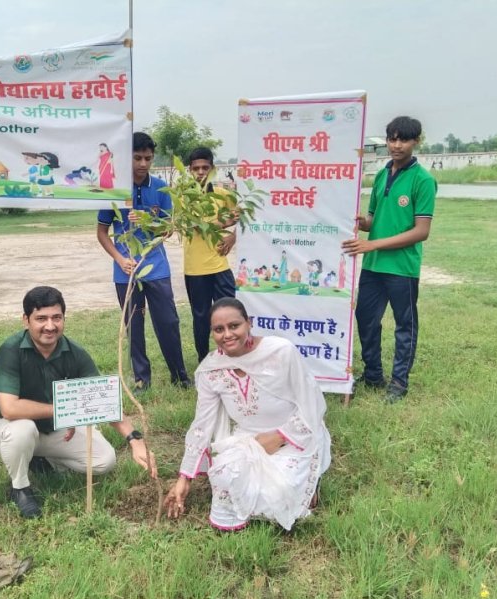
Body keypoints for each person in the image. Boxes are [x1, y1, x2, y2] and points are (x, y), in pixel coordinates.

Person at [0, 286, 156, 518]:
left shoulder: (74, 352)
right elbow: (10, 408)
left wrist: (135, 440)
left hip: (55, 429)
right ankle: (20, 488)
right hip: (7, 427)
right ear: (26, 320)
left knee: (104, 461)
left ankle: (42, 460)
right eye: (41, 318)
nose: (50, 326)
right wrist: (63, 410)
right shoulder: (10, 350)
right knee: (22, 431)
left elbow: (102, 401)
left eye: (57, 317)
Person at [164, 298, 331, 531]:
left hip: (294, 434)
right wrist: (184, 478)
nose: (227, 334)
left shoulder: (281, 352)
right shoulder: (211, 370)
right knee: (224, 474)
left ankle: (311, 483)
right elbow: (202, 424)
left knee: (281, 489)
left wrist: (280, 436)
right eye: (219, 329)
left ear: (249, 323)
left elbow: (312, 405)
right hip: (248, 440)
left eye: (234, 326)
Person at [342, 116, 437, 403]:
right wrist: (361, 221)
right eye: (392, 139)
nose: (396, 145)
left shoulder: (423, 180)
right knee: (366, 319)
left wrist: (372, 245)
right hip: (373, 266)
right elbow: (373, 221)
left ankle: (398, 382)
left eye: (403, 139)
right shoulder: (382, 175)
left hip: (402, 268)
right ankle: (373, 375)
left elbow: (421, 231)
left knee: (404, 325)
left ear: (415, 142)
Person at [96, 132, 191, 390]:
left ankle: (180, 375)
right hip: (125, 272)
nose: (142, 164)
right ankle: (141, 379)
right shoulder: (114, 190)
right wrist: (119, 259)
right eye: (137, 158)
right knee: (134, 325)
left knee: (168, 322)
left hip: (156, 267)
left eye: (148, 158)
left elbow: (168, 229)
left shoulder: (161, 188)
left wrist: (150, 222)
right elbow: (102, 233)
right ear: (128, 158)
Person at [183, 147, 238, 362]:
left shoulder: (223, 195)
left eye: (205, 167)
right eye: (196, 168)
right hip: (195, 268)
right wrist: (222, 222)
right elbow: (196, 226)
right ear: (189, 170)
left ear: (213, 169)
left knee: (231, 314)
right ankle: (204, 361)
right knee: (201, 318)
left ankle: (233, 357)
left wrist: (233, 238)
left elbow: (244, 217)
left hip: (220, 266)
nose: (200, 172)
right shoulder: (184, 198)